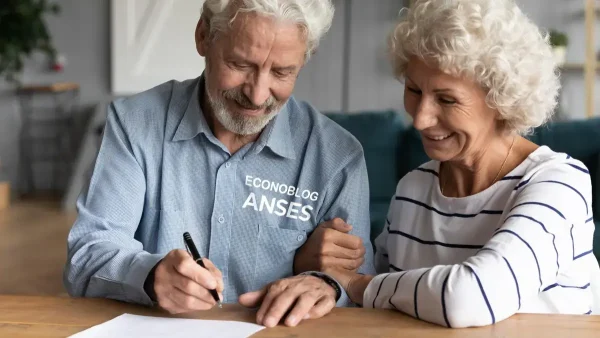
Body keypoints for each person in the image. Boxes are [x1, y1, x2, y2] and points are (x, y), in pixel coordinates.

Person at [64, 0, 374, 328]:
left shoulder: (338, 157)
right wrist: (149, 276)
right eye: (240, 64)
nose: (256, 95)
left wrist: (326, 283)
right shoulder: (135, 124)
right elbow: (87, 257)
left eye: (282, 72)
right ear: (203, 37)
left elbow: (360, 284)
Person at [324, 0, 600, 328]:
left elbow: (474, 297)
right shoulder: (413, 188)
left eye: (447, 99)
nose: (421, 119)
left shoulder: (559, 184)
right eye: (413, 90)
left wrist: (356, 284)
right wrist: (330, 264)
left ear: (501, 98)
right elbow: (384, 298)